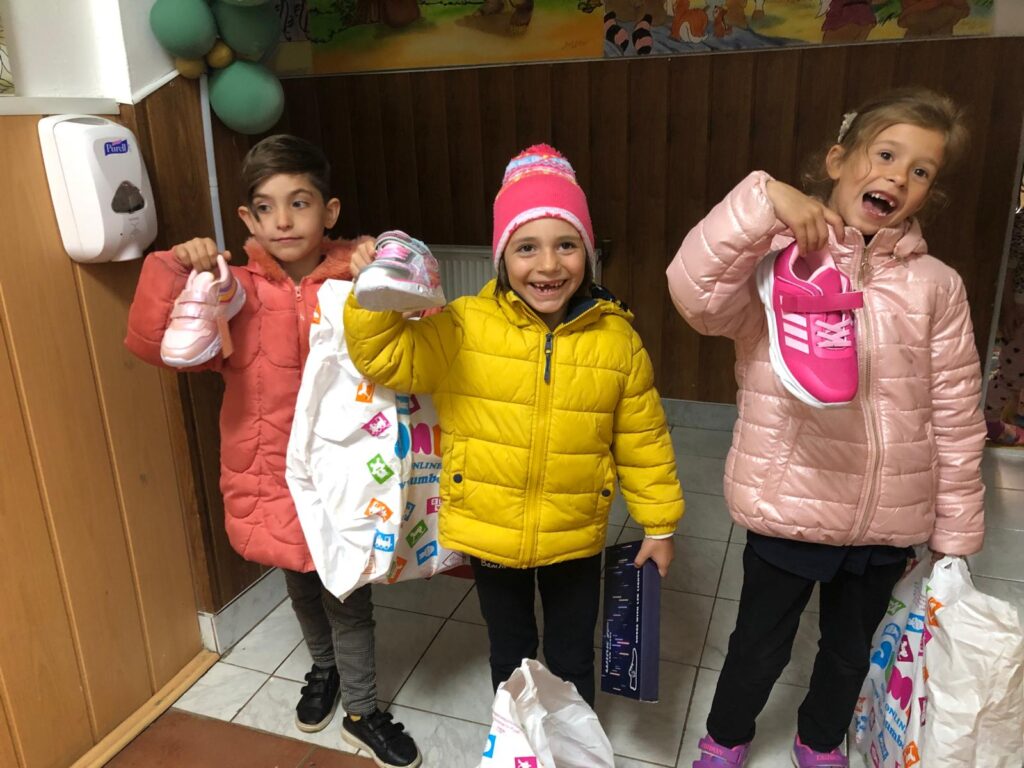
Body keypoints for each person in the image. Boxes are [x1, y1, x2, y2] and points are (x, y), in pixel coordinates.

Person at [665, 88, 985, 767]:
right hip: (791, 505)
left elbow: (956, 412)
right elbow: (695, 293)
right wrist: (763, 200)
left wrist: (955, 531)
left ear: (929, 193)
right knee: (759, 645)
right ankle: (725, 737)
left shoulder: (938, 286)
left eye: (920, 170)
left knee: (848, 651)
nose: (898, 177)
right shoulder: (776, 261)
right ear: (839, 161)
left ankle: (818, 741)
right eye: (886, 155)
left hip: (888, 519)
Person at [343, 144, 685, 706]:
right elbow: (387, 358)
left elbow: (643, 441)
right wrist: (374, 295)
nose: (548, 265)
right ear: (502, 258)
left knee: (572, 655)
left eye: (566, 245)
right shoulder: (463, 325)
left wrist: (660, 525)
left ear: (588, 253)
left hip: (575, 532)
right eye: (527, 247)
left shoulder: (618, 340)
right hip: (490, 530)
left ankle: (570, 742)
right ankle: (516, 740)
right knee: (511, 651)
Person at [125, 134, 421, 768]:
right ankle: (325, 668)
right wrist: (175, 268)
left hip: (344, 473)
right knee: (301, 580)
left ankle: (362, 710)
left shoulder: (355, 277)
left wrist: (385, 269)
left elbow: (416, 343)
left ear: (329, 210)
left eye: (300, 202)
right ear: (247, 218)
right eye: (266, 207)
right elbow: (157, 346)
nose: (283, 220)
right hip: (267, 468)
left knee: (348, 593)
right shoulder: (228, 287)